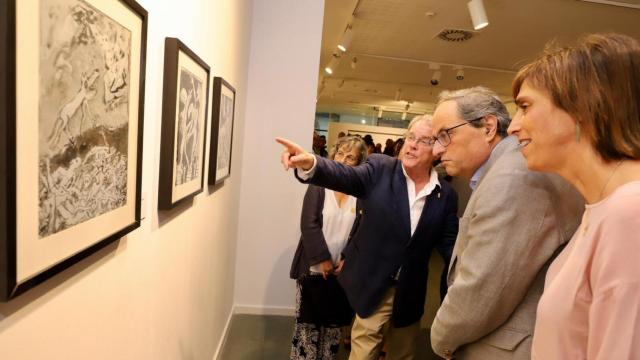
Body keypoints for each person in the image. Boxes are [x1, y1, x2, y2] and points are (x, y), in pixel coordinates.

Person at [277, 115, 459, 360]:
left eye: (423, 140)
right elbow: (345, 175)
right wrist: (311, 163)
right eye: (411, 137)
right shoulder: (381, 168)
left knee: (403, 354)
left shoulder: (445, 195)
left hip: (410, 293)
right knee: (362, 354)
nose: (413, 144)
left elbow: (451, 248)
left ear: (438, 148)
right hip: (374, 287)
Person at [508, 33, 640, 359]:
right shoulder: (601, 207)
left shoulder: (629, 213)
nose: (512, 127)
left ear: (582, 107)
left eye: (525, 107)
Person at [428, 87, 584, 359]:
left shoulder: (511, 178)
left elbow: (480, 292)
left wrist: (439, 338)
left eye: (445, 135)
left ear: (488, 127)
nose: (437, 150)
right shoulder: (505, 170)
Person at [289, 136, 367, 360]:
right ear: (333, 156)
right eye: (340, 153)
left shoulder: (360, 193)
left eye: (351, 157)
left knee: (332, 331)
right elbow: (308, 224)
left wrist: (348, 259)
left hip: (341, 274)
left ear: (359, 163)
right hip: (312, 270)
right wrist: (322, 259)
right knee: (307, 329)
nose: (343, 160)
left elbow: (362, 230)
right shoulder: (318, 185)